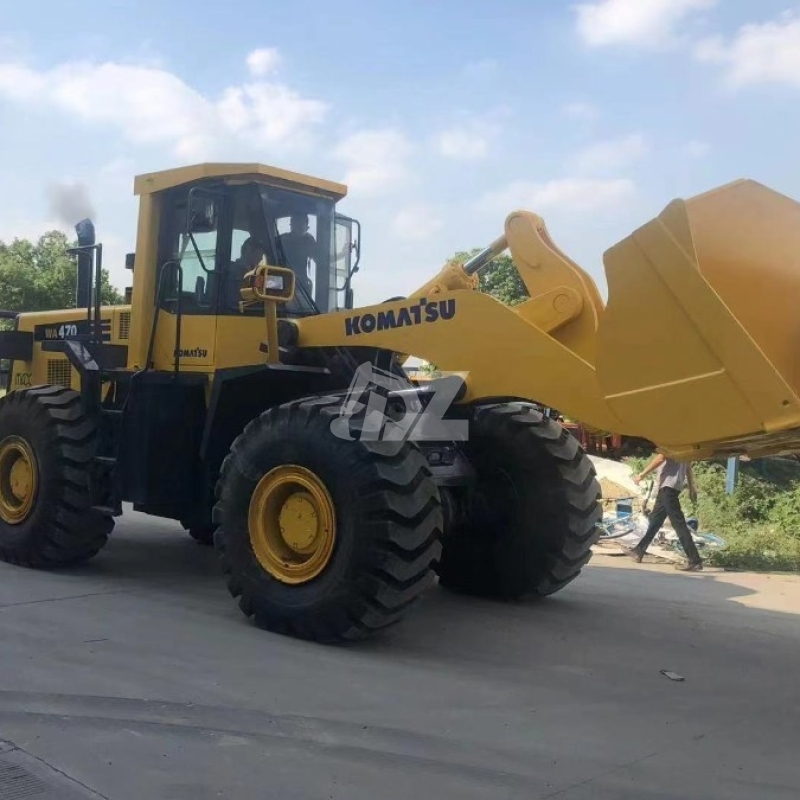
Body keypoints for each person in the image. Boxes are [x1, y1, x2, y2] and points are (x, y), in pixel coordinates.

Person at [625, 453, 703, 571]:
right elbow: (688, 466)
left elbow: (660, 458)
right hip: (670, 488)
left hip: (668, 487)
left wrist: (641, 475)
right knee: (655, 521)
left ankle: (694, 560)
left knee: (679, 524)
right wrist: (692, 487)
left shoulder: (670, 442)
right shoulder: (684, 445)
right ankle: (639, 551)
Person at [224, 236, 266, 310]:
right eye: (260, 254)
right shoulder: (230, 272)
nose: (261, 258)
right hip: (236, 313)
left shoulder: (259, 273)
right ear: (248, 250)